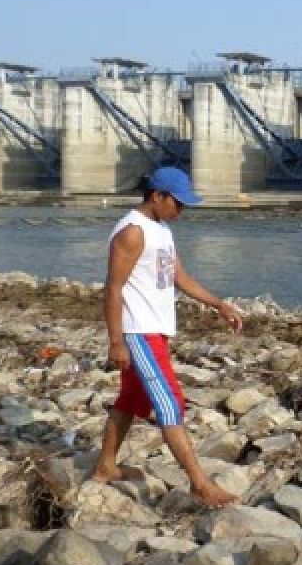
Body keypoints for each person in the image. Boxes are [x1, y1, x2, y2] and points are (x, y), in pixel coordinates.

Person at [91, 166, 243, 507]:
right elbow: (112, 288)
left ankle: (105, 467)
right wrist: (116, 341)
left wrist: (219, 304)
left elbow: (179, 277)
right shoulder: (132, 232)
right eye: (178, 203)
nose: (181, 211)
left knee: (131, 400)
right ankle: (200, 485)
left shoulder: (160, 229)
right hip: (138, 332)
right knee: (169, 403)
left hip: (155, 330)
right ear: (157, 196)